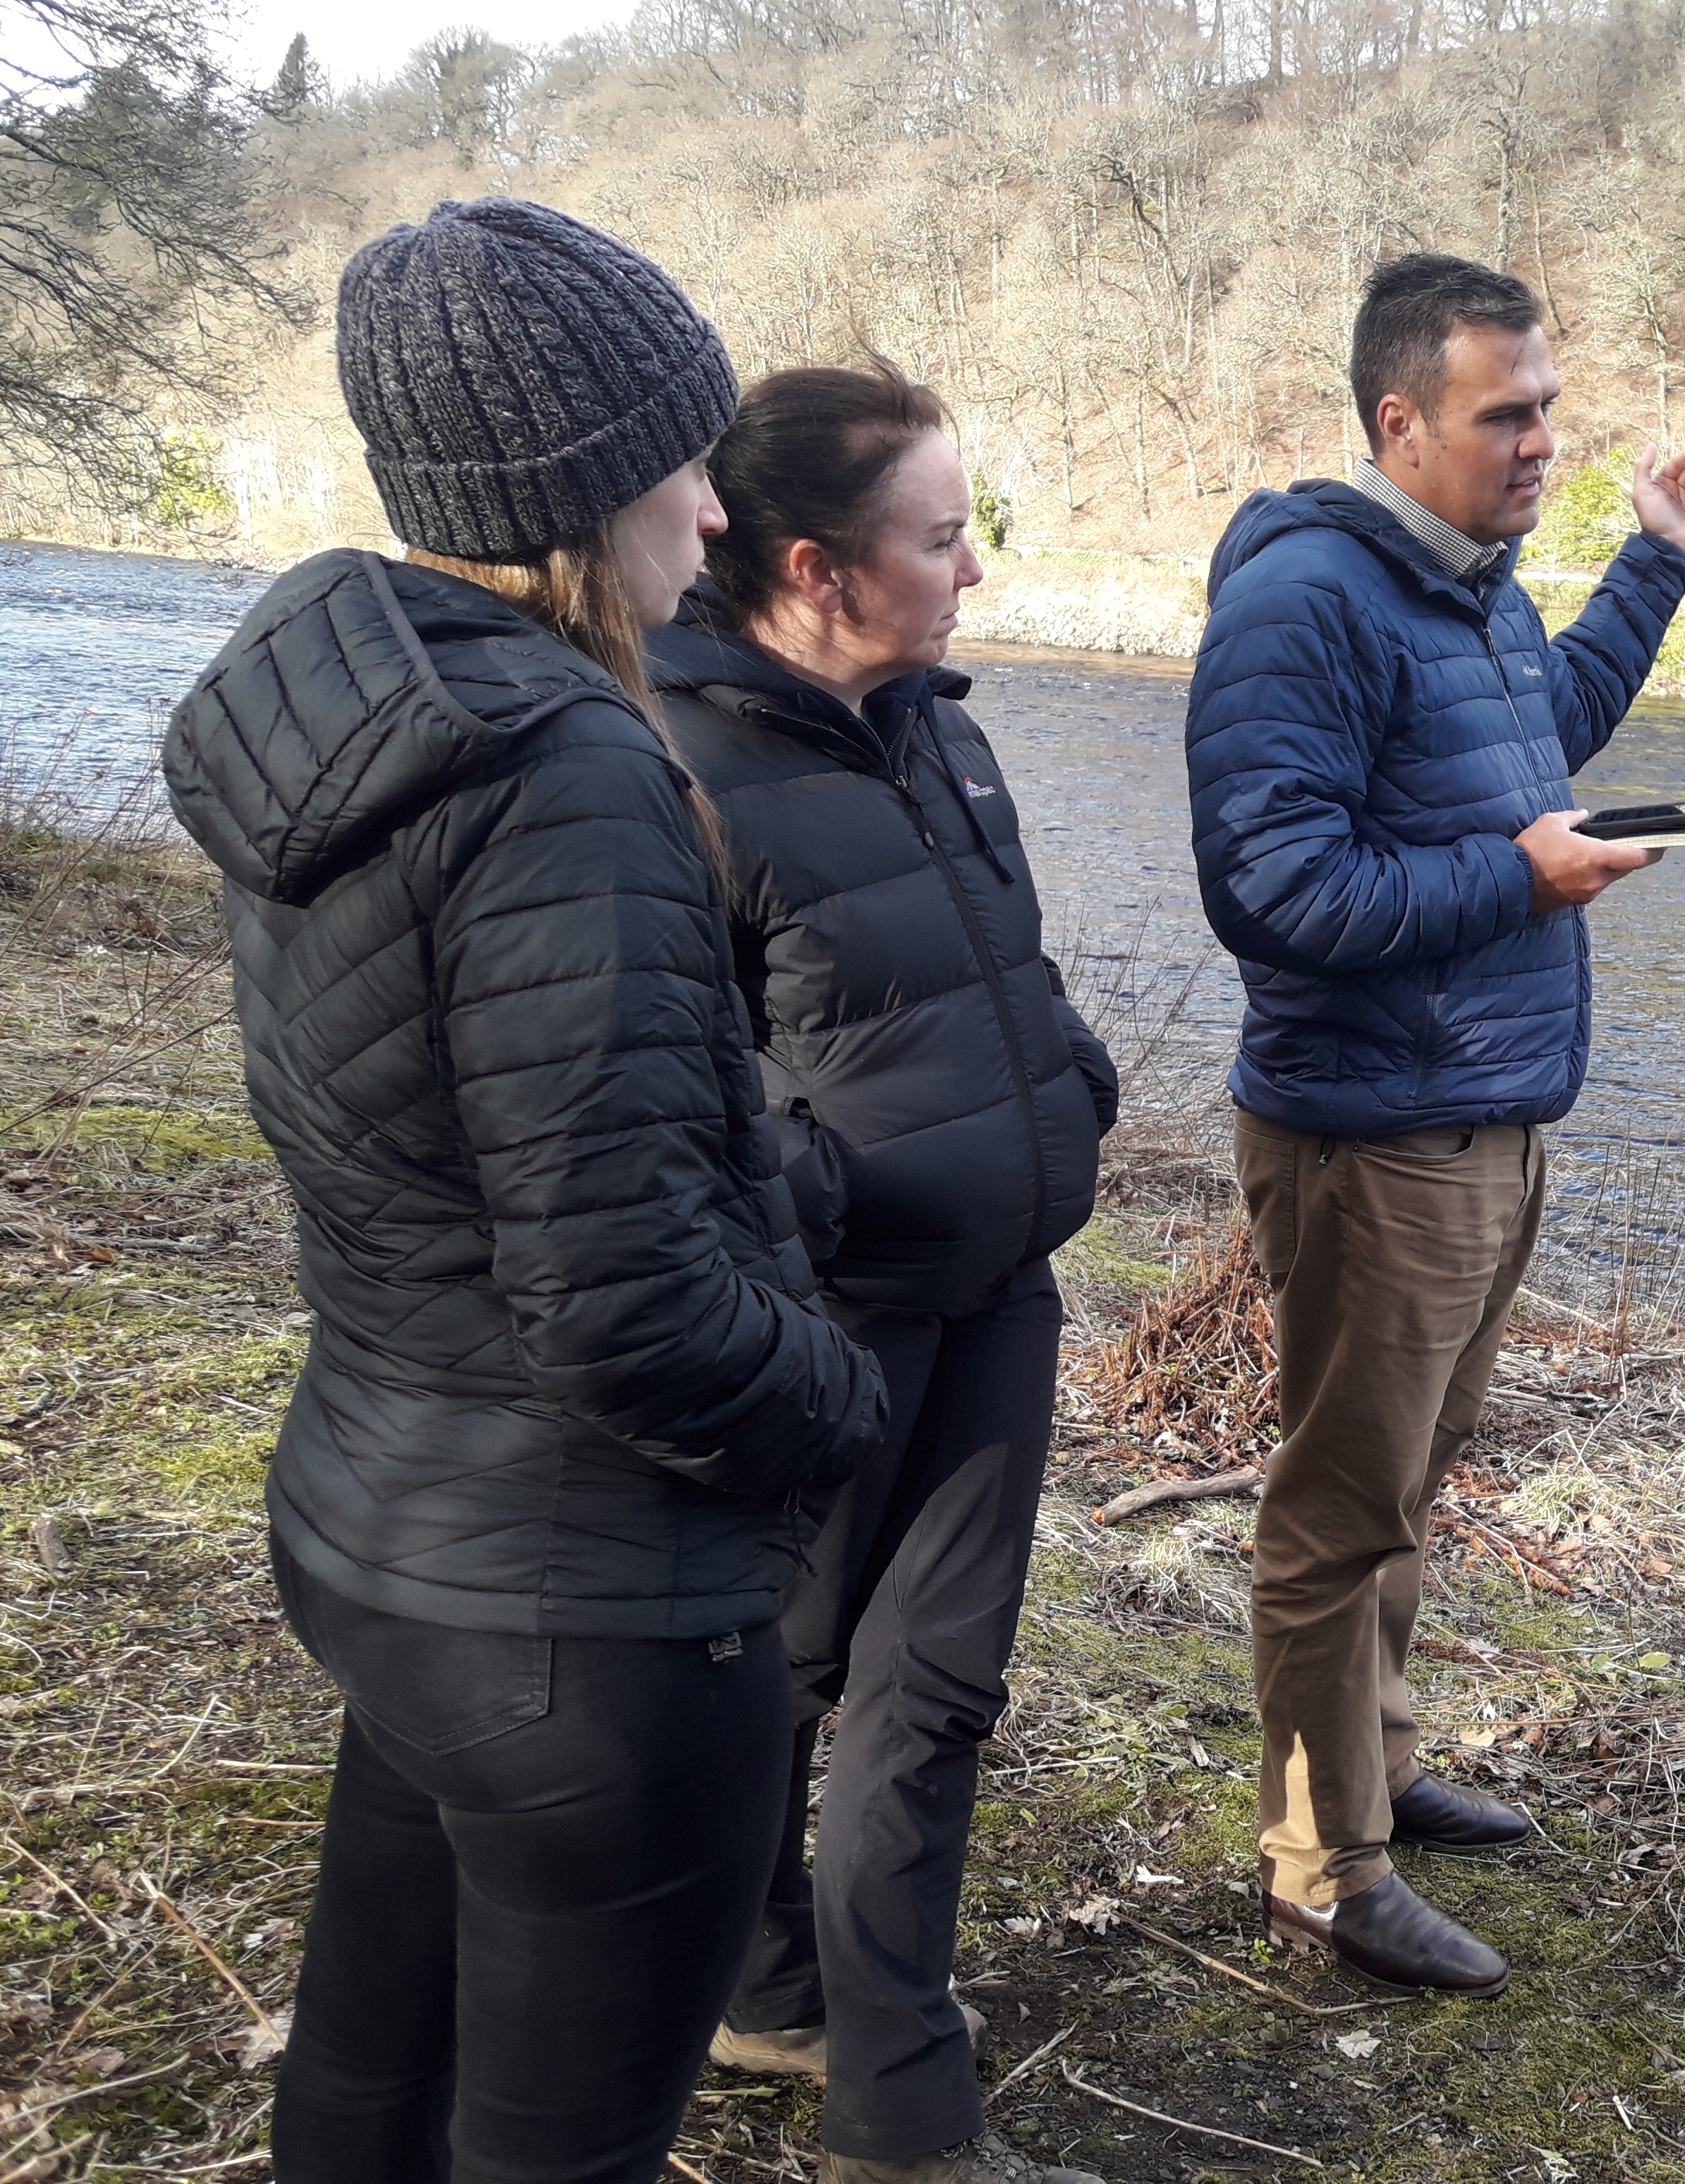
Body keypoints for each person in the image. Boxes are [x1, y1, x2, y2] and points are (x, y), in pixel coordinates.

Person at [162, 200, 888, 2184]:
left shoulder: (352, 703)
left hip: (385, 1533)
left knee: (368, 2098)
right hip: (586, 1619)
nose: (717, 517)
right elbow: (629, 1307)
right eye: (684, 459)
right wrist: (839, 1408)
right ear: (582, 489)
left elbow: (476, 1150)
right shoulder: (566, 765)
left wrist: (773, 1186)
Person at [1184, 252, 1685, 1996]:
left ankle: (1379, 1772)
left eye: (1552, 405)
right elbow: (1270, 889)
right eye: (1511, 412)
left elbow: (1537, 731)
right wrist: (1518, 878)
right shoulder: (1306, 601)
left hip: (1483, 1113)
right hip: (1376, 1135)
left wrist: (1654, 564)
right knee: (1341, 1512)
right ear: (1400, 419)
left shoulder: (1471, 586)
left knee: (1405, 1487)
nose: (1544, 438)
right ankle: (1320, 1865)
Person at [645, 360, 1115, 2184]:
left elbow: (1009, 965)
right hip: (834, 1321)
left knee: (928, 1691)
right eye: (939, 538)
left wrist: (1073, 1089)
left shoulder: (944, 725)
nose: (974, 571)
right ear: (819, 571)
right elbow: (680, 1115)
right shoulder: (678, 777)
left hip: (1001, 1296)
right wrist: (840, 1198)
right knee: (794, 1666)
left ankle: (886, 2093)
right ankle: (783, 2001)